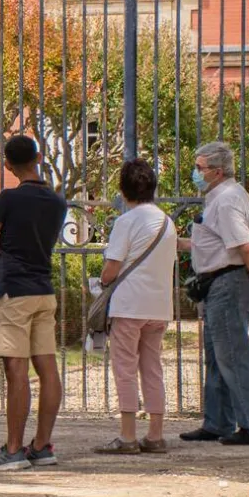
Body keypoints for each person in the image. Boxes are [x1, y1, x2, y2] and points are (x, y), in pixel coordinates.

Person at [0, 135, 68, 470]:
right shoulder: (57, 202)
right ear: (39, 157)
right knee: (48, 368)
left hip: (14, 290)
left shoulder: (8, 199)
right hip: (44, 288)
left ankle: (14, 448)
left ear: (7, 164)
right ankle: (42, 444)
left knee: (15, 369)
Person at [178, 141, 249, 446]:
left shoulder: (227, 200)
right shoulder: (220, 197)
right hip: (218, 282)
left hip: (228, 283)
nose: (195, 172)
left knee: (233, 354)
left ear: (217, 171)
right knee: (219, 356)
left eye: (199, 168)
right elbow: (213, 242)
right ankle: (218, 421)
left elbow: (246, 245)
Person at [93, 159, 178, 454]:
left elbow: (112, 268)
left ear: (123, 190)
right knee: (152, 368)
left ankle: (128, 435)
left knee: (125, 368)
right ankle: (155, 434)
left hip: (129, 306)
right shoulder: (167, 222)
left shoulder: (126, 221)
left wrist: (101, 282)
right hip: (159, 306)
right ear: (153, 187)